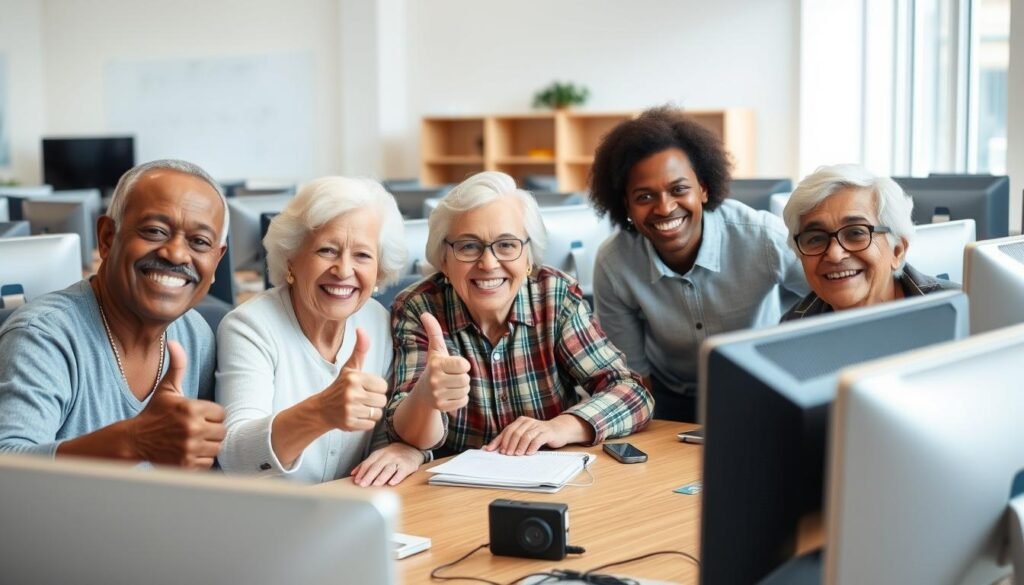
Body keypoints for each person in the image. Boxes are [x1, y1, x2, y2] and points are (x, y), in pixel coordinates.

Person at [385, 171, 653, 457]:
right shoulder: (418, 308)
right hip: (454, 492)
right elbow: (411, 437)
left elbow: (632, 394)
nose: (488, 263)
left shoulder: (555, 296)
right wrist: (426, 396)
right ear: (444, 260)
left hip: (552, 481)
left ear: (528, 257)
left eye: (506, 245)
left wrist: (561, 427)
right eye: (468, 246)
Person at [0, 159, 228, 468]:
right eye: (155, 231)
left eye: (199, 242)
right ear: (108, 237)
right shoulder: (41, 335)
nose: (175, 253)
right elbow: (8, 467)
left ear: (217, 260)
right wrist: (134, 441)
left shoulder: (195, 333)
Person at [589, 106, 808, 422]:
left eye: (678, 189)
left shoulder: (761, 237)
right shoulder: (614, 263)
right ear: (626, 204)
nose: (664, 208)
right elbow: (633, 374)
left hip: (761, 389)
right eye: (644, 197)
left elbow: (831, 294)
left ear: (703, 189)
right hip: (669, 398)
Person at [216, 177, 425, 486]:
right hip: (266, 521)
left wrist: (408, 451)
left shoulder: (378, 322)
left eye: (362, 255)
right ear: (291, 259)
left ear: (379, 270)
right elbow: (236, 459)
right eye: (327, 250)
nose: (343, 270)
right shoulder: (250, 326)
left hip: (348, 513)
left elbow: (383, 441)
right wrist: (320, 412)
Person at [781, 163, 959, 320]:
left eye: (856, 233)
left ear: (897, 250)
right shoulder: (790, 330)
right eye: (816, 238)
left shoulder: (963, 310)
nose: (834, 255)